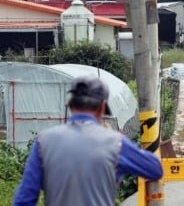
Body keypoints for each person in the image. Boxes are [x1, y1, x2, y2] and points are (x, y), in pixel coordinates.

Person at [13, 76, 163, 206]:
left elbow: (24, 199)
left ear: (70, 106)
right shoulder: (115, 143)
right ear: (102, 107)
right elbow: (155, 169)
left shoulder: (43, 142)